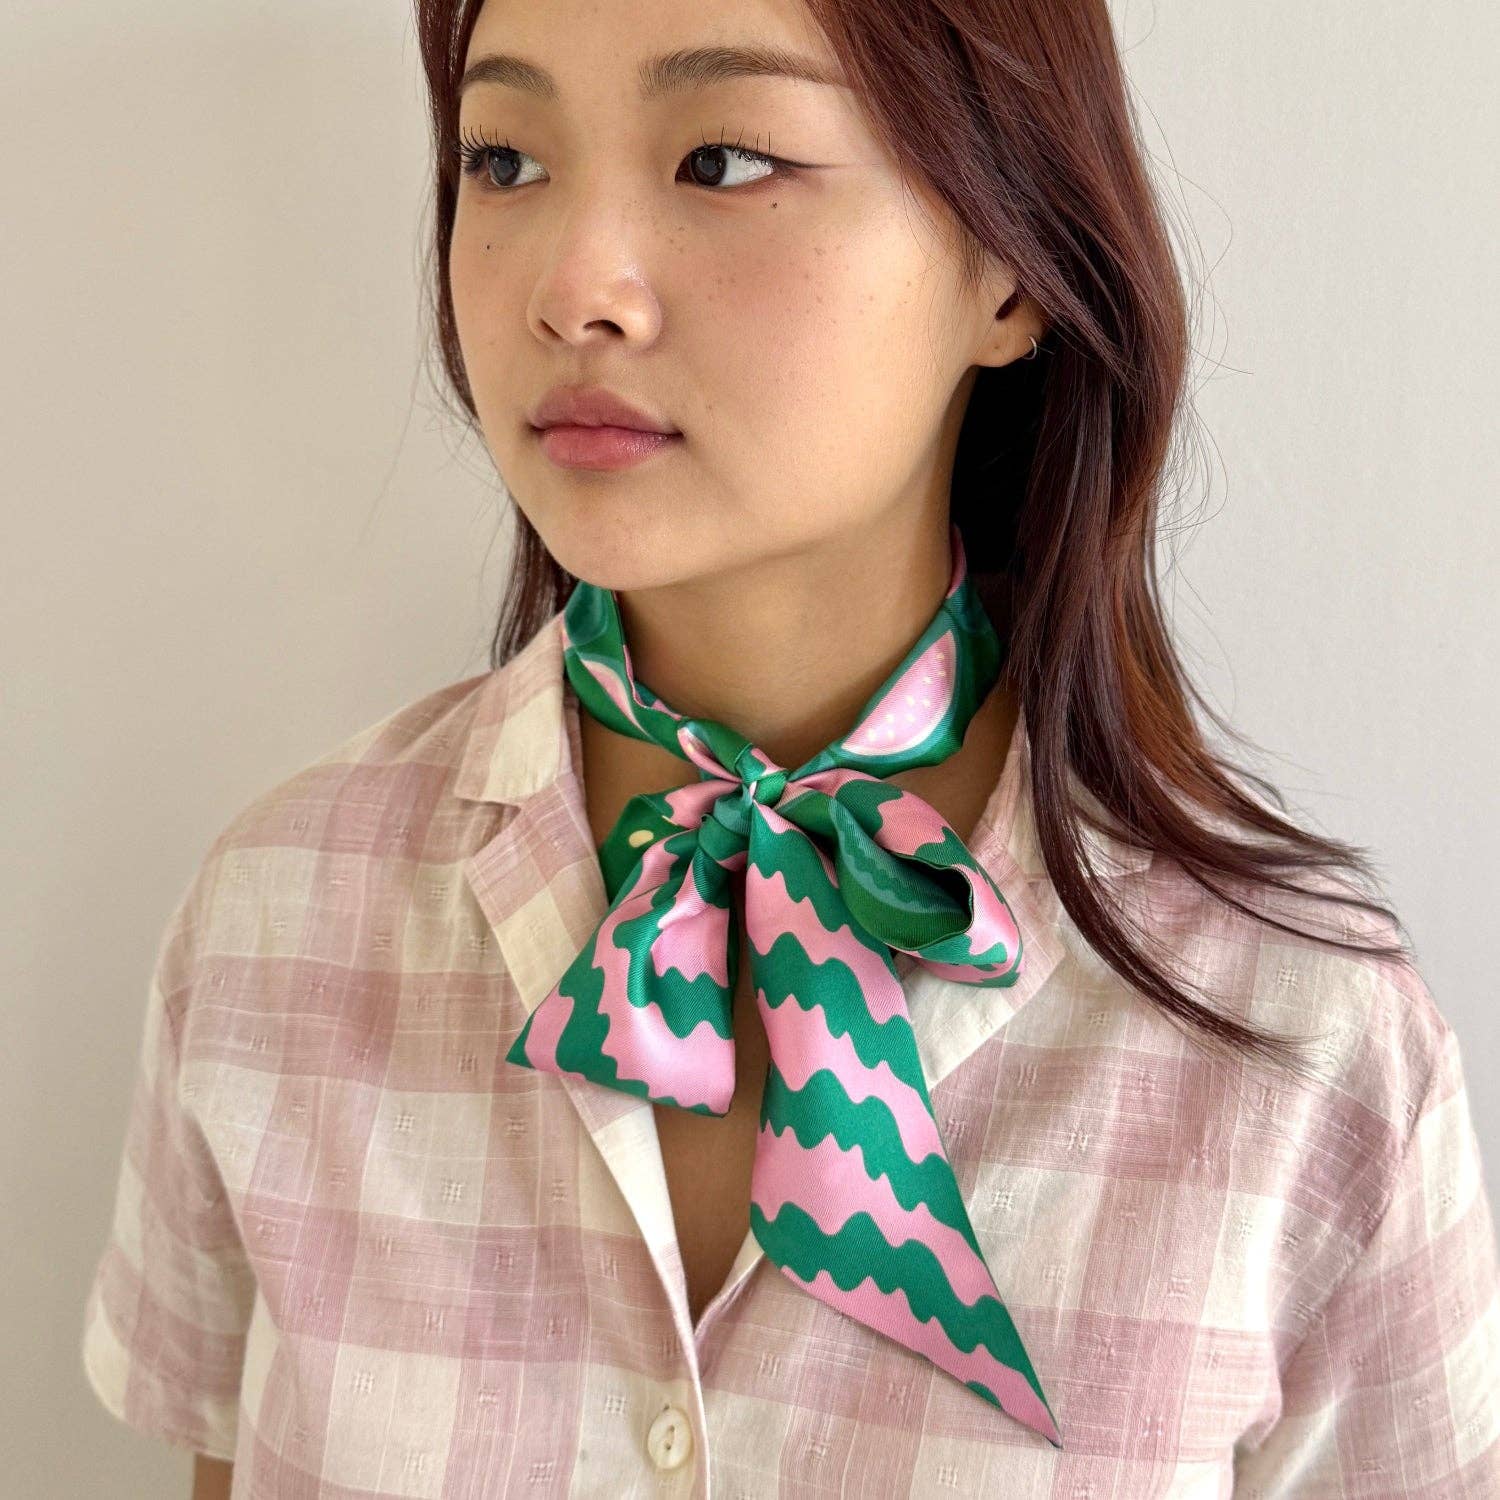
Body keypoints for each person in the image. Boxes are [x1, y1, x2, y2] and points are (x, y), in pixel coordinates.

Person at [81, 0, 1500, 1494]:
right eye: (501, 159)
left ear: (1010, 269)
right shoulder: (272, 929)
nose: (575, 289)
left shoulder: (1306, 1051)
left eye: (726, 160)